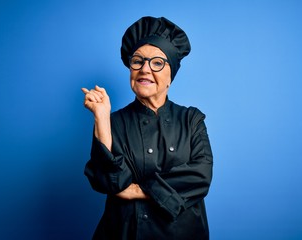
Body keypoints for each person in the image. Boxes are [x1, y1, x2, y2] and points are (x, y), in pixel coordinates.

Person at [81, 16, 213, 240]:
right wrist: (102, 118)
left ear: (171, 74)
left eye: (157, 62)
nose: (145, 69)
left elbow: (200, 176)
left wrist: (137, 190)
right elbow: (110, 182)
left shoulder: (191, 120)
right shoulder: (114, 122)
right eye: (138, 61)